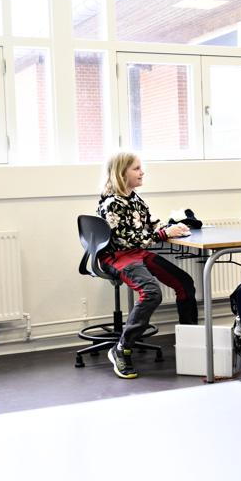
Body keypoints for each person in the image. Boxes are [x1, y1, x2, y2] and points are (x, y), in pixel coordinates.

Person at [96, 152, 199, 379]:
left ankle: (191, 342)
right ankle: (121, 348)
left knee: (184, 282)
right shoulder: (112, 203)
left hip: (138, 253)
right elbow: (126, 239)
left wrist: (173, 227)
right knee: (152, 293)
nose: (142, 172)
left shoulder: (134, 198)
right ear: (121, 174)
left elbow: (149, 224)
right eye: (136, 168)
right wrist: (163, 233)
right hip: (117, 256)